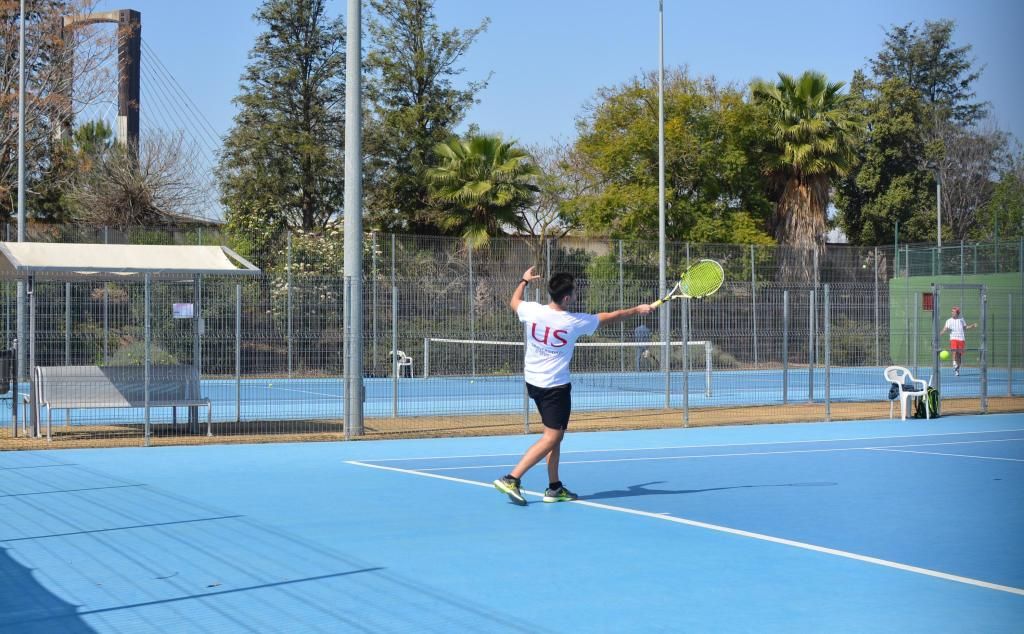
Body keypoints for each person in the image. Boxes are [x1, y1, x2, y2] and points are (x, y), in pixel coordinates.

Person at [493, 267, 653, 505]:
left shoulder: (532, 310)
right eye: (575, 292)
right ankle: (511, 478)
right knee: (552, 436)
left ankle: (555, 487)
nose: (577, 295)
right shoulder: (575, 322)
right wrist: (638, 310)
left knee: (553, 434)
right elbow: (614, 316)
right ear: (566, 298)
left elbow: (514, 301)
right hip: (554, 387)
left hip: (533, 382)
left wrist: (524, 280)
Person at [939, 305, 976, 377]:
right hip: (954, 338)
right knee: (954, 351)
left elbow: (965, 328)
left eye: (954, 312)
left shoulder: (961, 320)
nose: (952, 313)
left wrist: (972, 326)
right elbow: (944, 329)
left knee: (959, 356)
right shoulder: (948, 321)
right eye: (952, 311)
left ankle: (957, 369)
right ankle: (953, 363)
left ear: (957, 313)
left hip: (961, 339)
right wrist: (939, 334)